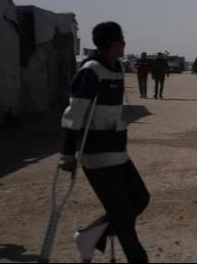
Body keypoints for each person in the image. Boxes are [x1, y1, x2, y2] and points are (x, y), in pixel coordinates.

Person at [59, 21, 150, 263]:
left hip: (117, 149)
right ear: (112, 43)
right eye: (121, 39)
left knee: (141, 198)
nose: (125, 44)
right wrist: (67, 155)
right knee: (123, 221)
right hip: (97, 154)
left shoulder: (117, 68)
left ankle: (88, 236)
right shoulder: (91, 71)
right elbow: (73, 115)